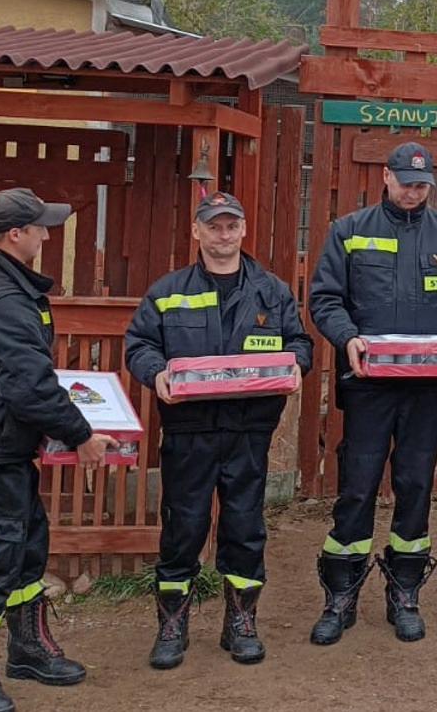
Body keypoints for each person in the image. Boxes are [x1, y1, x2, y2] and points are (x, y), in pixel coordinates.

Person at [0, 188, 119, 712]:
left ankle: (27, 649)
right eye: (40, 228)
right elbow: (30, 389)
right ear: (15, 235)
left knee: (27, 546)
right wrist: (81, 435)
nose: (46, 236)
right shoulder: (3, 301)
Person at [306, 141, 437, 644]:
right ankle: (340, 595)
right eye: (406, 182)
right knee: (358, 486)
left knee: (415, 484)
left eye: (422, 184)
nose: (413, 192)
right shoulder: (350, 231)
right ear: (386, 177)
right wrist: (347, 337)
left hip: (427, 389)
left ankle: (404, 591)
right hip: (368, 387)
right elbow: (325, 299)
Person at [125, 191, 313, 669]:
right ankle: (172, 626)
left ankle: (241, 623)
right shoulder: (168, 291)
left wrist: (296, 365)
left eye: (231, 226)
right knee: (183, 528)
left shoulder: (272, 291)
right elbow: (140, 344)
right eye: (214, 226)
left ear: (244, 230)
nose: (223, 235)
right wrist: (155, 372)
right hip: (189, 431)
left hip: (249, 430)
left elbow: (299, 343)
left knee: (245, 528)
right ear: (197, 231)